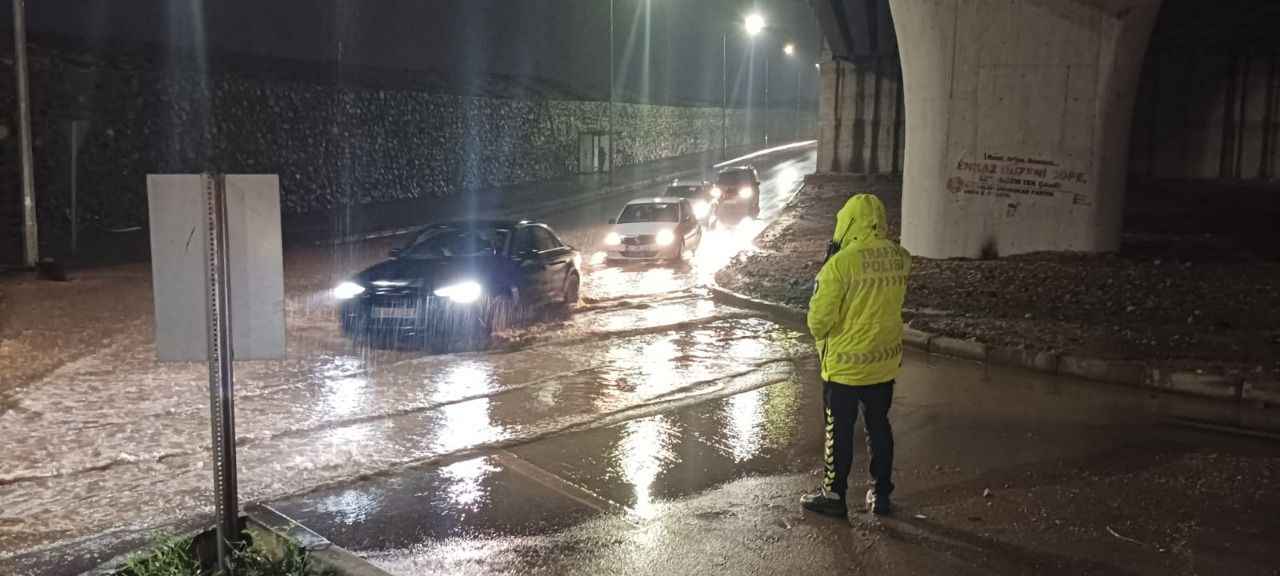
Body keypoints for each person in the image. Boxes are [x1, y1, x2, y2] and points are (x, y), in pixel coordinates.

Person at [801, 193, 911, 517]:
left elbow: (818, 322)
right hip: (884, 361)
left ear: (847, 222)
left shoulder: (839, 265)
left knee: (839, 430)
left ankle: (834, 495)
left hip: (845, 368)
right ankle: (882, 494)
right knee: (879, 426)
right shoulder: (900, 257)